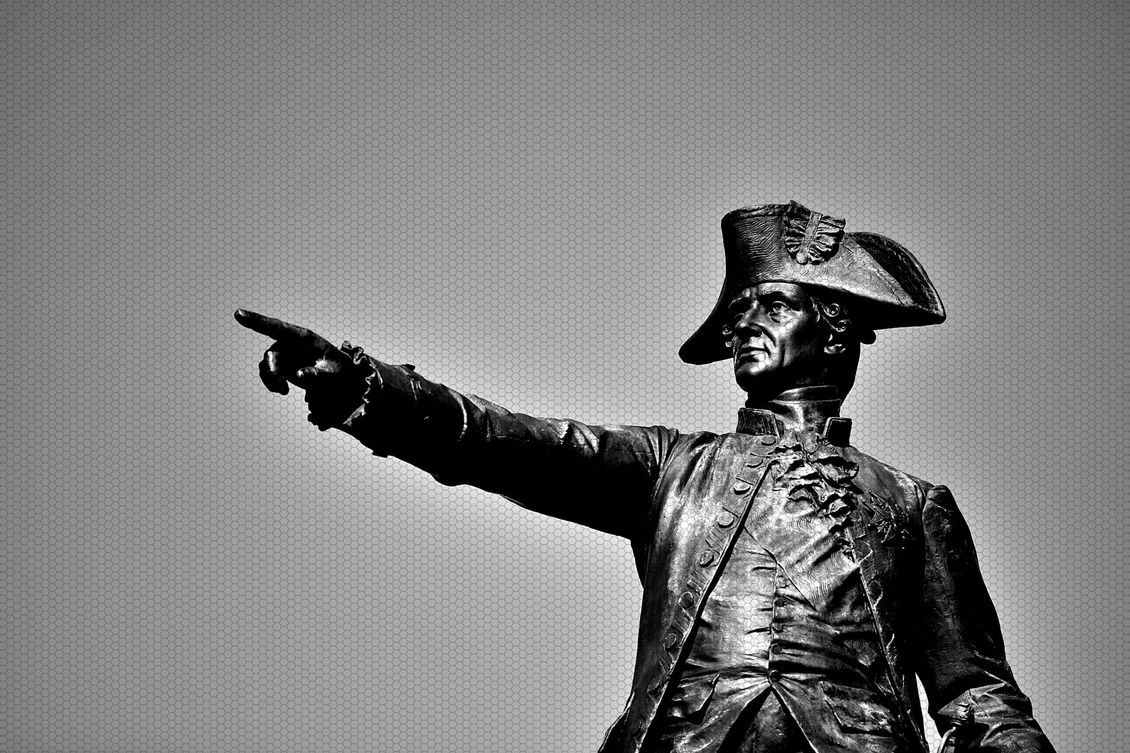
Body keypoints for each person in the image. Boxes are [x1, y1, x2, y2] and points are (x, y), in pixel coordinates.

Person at [236, 201, 1055, 753]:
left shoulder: (912, 503)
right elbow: (506, 443)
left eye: (771, 306)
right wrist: (368, 390)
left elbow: (979, 694)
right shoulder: (674, 467)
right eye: (737, 317)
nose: (744, 327)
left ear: (835, 329)